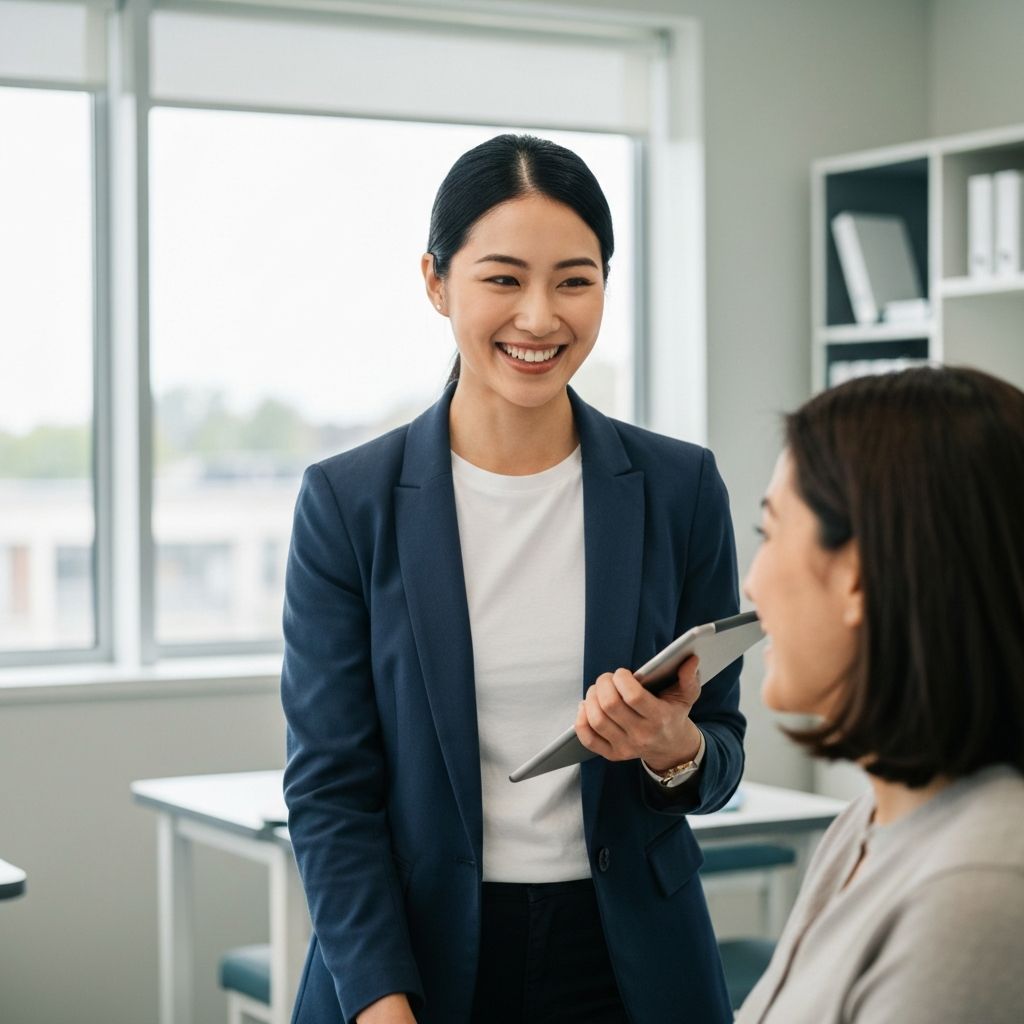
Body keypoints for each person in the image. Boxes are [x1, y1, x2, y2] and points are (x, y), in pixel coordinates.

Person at [280, 133, 745, 1024]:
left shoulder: (680, 488)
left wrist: (671, 746)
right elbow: (330, 792)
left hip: (631, 966)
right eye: (503, 279)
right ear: (436, 281)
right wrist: (379, 1002)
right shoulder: (348, 503)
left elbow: (719, 752)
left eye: (574, 281)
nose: (539, 318)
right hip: (415, 959)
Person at [738, 365, 1024, 1024]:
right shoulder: (866, 823)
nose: (752, 583)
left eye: (769, 534)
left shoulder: (973, 894)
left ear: (858, 578)